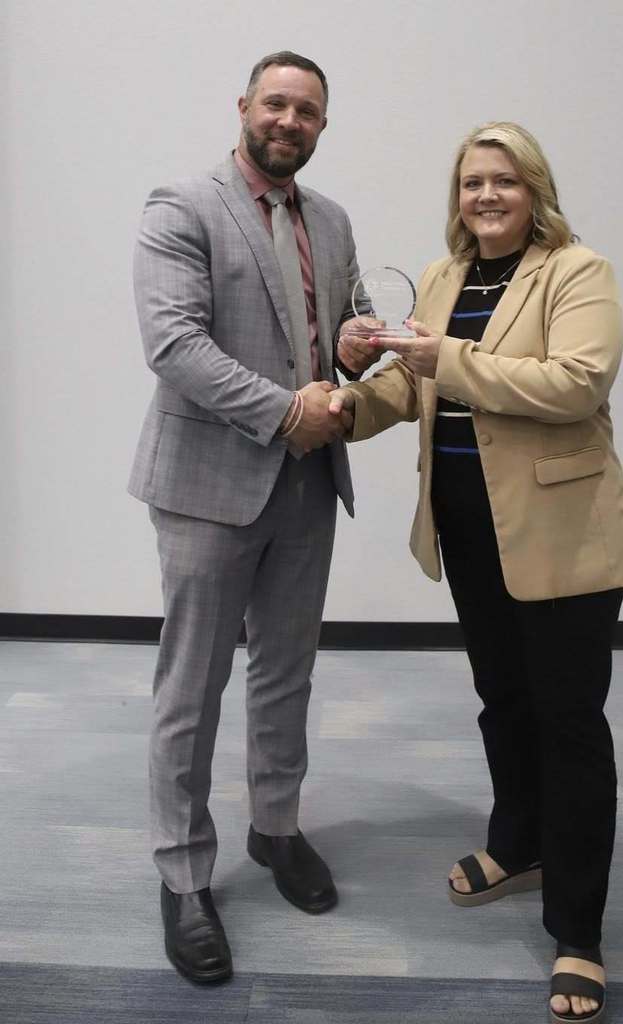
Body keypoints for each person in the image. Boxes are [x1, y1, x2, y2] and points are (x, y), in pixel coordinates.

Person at [331, 122, 623, 1022]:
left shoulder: (576, 271)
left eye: (503, 180)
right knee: (502, 701)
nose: (486, 196)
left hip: (563, 536)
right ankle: (518, 842)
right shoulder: (442, 277)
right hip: (468, 532)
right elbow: (410, 386)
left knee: (567, 722)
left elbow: (576, 382)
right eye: (471, 182)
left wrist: (448, 359)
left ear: (533, 189)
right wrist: (347, 400)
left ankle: (577, 933)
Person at [129, 50, 378, 983]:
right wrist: (283, 412)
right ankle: (183, 874)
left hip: (307, 485)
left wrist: (355, 345)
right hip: (209, 483)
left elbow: (345, 327)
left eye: (306, 111)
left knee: (286, 673)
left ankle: (275, 827)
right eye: (275, 103)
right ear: (243, 106)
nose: (288, 121)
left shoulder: (334, 219)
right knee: (190, 688)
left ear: (322, 125)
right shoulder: (181, 206)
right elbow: (174, 344)